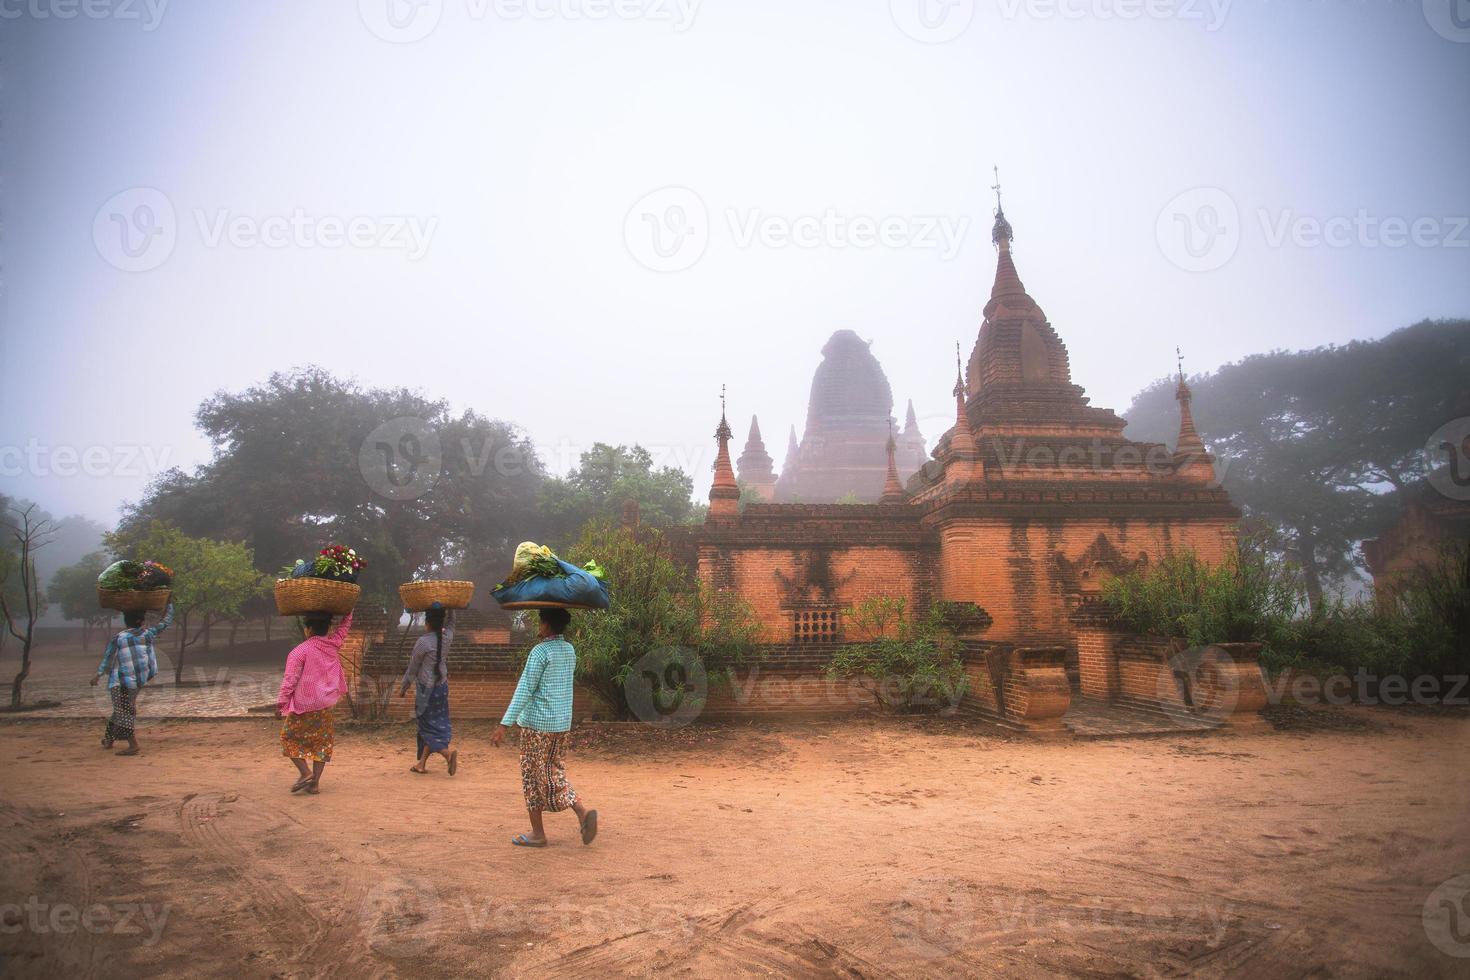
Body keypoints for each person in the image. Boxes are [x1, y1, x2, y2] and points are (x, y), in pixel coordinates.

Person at [492, 607, 597, 847]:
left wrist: (504, 723)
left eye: (540, 621)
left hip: (537, 725)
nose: (538, 626)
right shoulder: (569, 650)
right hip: (561, 724)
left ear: (547, 625)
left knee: (532, 776)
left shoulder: (540, 652)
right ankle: (578, 811)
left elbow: (525, 689)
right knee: (553, 771)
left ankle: (541, 832)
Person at [277, 611, 352, 795]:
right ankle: (315, 783)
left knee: (288, 739)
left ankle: (305, 773)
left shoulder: (299, 651)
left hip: (304, 704)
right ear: (327, 628)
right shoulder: (333, 644)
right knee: (321, 742)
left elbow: (290, 680)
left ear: (308, 629)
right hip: (326, 703)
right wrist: (349, 610)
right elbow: (344, 628)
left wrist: (281, 703)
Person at [91, 601, 174, 756]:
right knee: (122, 710)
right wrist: (169, 604)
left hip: (119, 680)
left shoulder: (119, 638)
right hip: (136, 681)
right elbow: (166, 621)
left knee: (123, 711)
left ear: (126, 622)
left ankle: (133, 745)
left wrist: (98, 675)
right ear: (142, 621)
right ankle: (109, 739)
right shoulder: (148, 634)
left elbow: (108, 658)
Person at [399, 606, 458, 775]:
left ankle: (447, 755)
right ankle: (421, 764)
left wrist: (404, 687)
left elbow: (413, 668)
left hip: (426, 691)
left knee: (426, 726)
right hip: (442, 687)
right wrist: (451, 608)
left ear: (427, 623)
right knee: (436, 724)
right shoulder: (447, 637)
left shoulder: (423, 642)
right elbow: (452, 623)